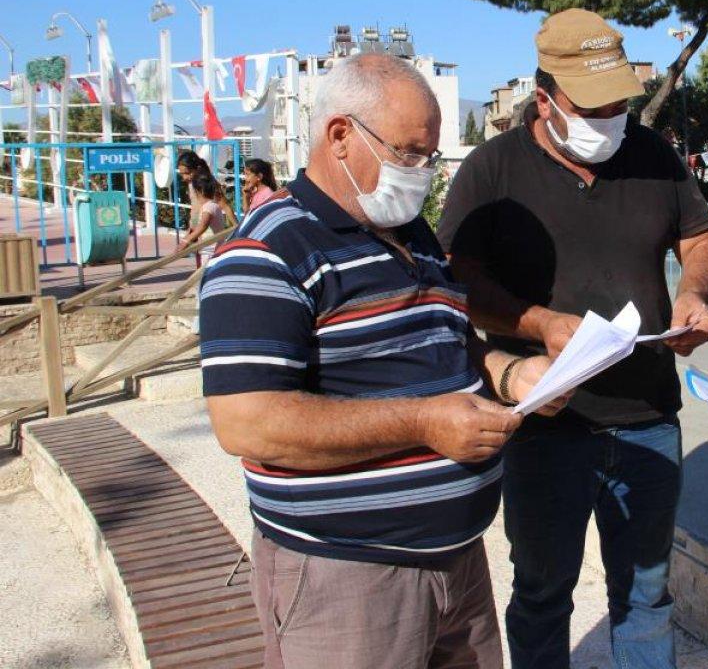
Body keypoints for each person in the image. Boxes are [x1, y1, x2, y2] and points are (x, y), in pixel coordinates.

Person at [200, 53, 570, 669]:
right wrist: (425, 423)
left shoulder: (408, 231)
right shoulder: (264, 253)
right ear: (340, 136)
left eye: (429, 156)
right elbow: (248, 423)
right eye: (407, 153)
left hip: (458, 564)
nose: (422, 172)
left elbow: (448, 342)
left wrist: (507, 373)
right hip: (345, 580)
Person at [438, 8, 708, 669]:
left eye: (620, 101)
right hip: (544, 428)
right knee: (543, 595)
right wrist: (536, 324)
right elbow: (455, 279)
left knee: (647, 597)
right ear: (545, 100)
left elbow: (701, 240)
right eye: (594, 106)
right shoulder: (492, 170)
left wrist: (695, 291)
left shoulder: (653, 155)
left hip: (649, 419)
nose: (612, 117)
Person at [178, 173, 227, 262]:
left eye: (192, 191)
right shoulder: (211, 206)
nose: (190, 194)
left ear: (200, 191)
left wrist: (186, 240)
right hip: (209, 251)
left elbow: (203, 226)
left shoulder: (209, 207)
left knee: (205, 275)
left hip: (210, 253)